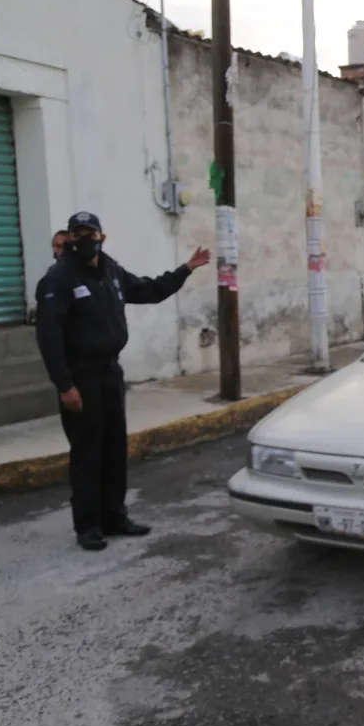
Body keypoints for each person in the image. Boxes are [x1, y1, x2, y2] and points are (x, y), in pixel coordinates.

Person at [35, 211, 211, 552]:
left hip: (109, 372)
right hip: (80, 375)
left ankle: (114, 517)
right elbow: (49, 337)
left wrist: (184, 270)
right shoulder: (59, 278)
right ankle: (87, 525)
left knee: (114, 446)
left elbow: (148, 290)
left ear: (103, 236)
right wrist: (64, 384)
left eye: (91, 232)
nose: (85, 239)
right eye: (78, 233)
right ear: (70, 238)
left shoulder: (111, 271)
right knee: (87, 451)